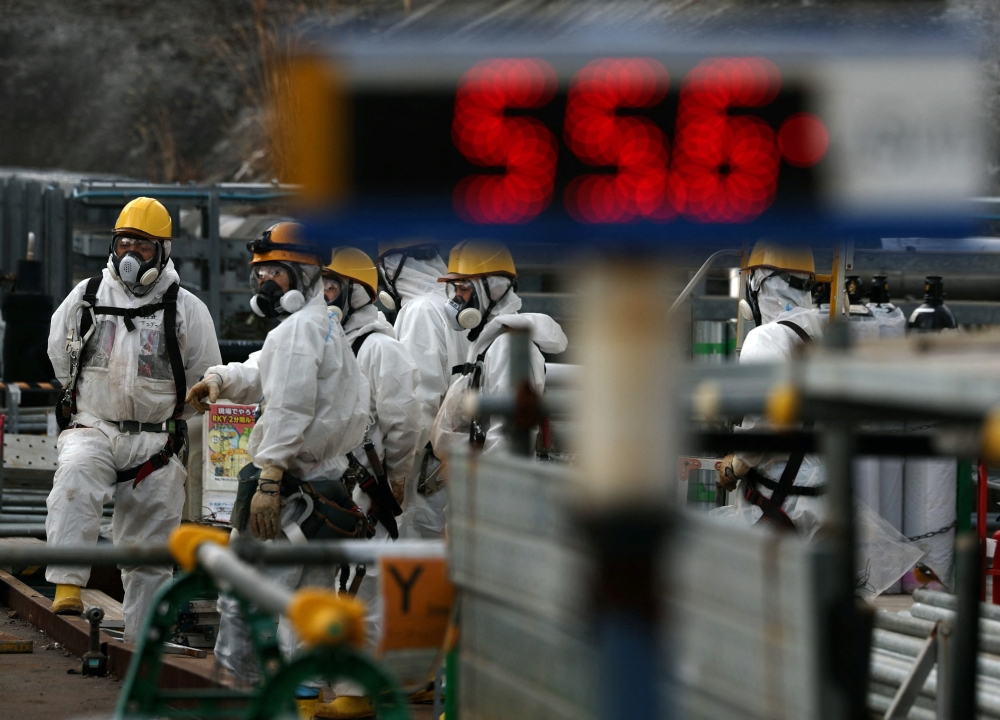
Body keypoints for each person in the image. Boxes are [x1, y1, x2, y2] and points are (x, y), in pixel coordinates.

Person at [185, 222, 370, 686]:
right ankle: (304, 699)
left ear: (305, 276)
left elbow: (289, 406)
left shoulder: (297, 332)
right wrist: (221, 380)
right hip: (323, 487)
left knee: (248, 596)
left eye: (277, 273)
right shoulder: (322, 323)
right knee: (313, 603)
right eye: (261, 274)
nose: (267, 284)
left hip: (286, 489)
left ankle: (237, 692)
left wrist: (269, 476)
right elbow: (265, 370)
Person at [45, 197, 221, 641]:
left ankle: (143, 641)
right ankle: (68, 583)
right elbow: (60, 357)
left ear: (161, 251)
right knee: (75, 478)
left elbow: (205, 378)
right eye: (124, 243)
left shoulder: (186, 310)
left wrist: (166, 419)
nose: (130, 255)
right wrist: (90, 405)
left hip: (156, 443)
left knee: (149, 552)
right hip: (95, 426)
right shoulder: (86, 297)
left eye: (142, 247)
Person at [318, 246, 424, 718]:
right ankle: (326, 687)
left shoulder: (380, 347)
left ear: (359, 292)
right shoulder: (322, 341)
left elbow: (404, 423)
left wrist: (396, 478)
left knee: (362, 585)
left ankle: (356, 693)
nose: (324, 294)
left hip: (365, 486)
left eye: (334, 285)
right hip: (326, 484)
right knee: (322, 586)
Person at [718, 241, 827, 539]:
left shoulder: (765, 338)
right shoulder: (825, 332)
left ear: (757, 285)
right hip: (821, 500)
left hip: (777, 499)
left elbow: (761, 424)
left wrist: (734, 467)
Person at [431, 240, 567, 460]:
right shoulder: (487, 341)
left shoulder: (506, 347)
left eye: (464, 289)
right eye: (455, 289)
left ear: (493, 291)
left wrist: (488, 486)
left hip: (493, 485)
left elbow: (507, 438)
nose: (456, 299)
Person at [375, 241, 470, 539]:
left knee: (414, 552)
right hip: (452, 458)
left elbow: (419, 402)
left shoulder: (420, 311)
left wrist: (399, 470)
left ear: (394, 267)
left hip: (425, 467)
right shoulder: (455, 305)